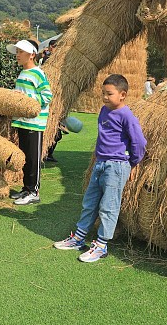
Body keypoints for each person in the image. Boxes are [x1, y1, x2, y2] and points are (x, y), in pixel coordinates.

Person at [54, 74, 146, 262]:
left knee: (108, 206)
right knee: (90, 201)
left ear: (123, 95)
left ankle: (101, 245)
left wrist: (133, 162)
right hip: (100, 163)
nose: (104, 97)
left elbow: (139, 142)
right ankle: (79, 238)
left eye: (109, 94)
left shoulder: (127, 116)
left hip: (116, 166)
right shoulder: (104, 111)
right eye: (103, 93)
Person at [7, 39, 52, 206]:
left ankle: (34, 192)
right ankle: (26, 188)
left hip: (34, 122)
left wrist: (26, 101)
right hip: (22, 122)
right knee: (25, 157)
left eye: (21, 52)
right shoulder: (23, 73)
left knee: (33, 159)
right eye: (17, 51)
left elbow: (47, 96)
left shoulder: (37, 73)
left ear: (32, 54)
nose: (17, 55)